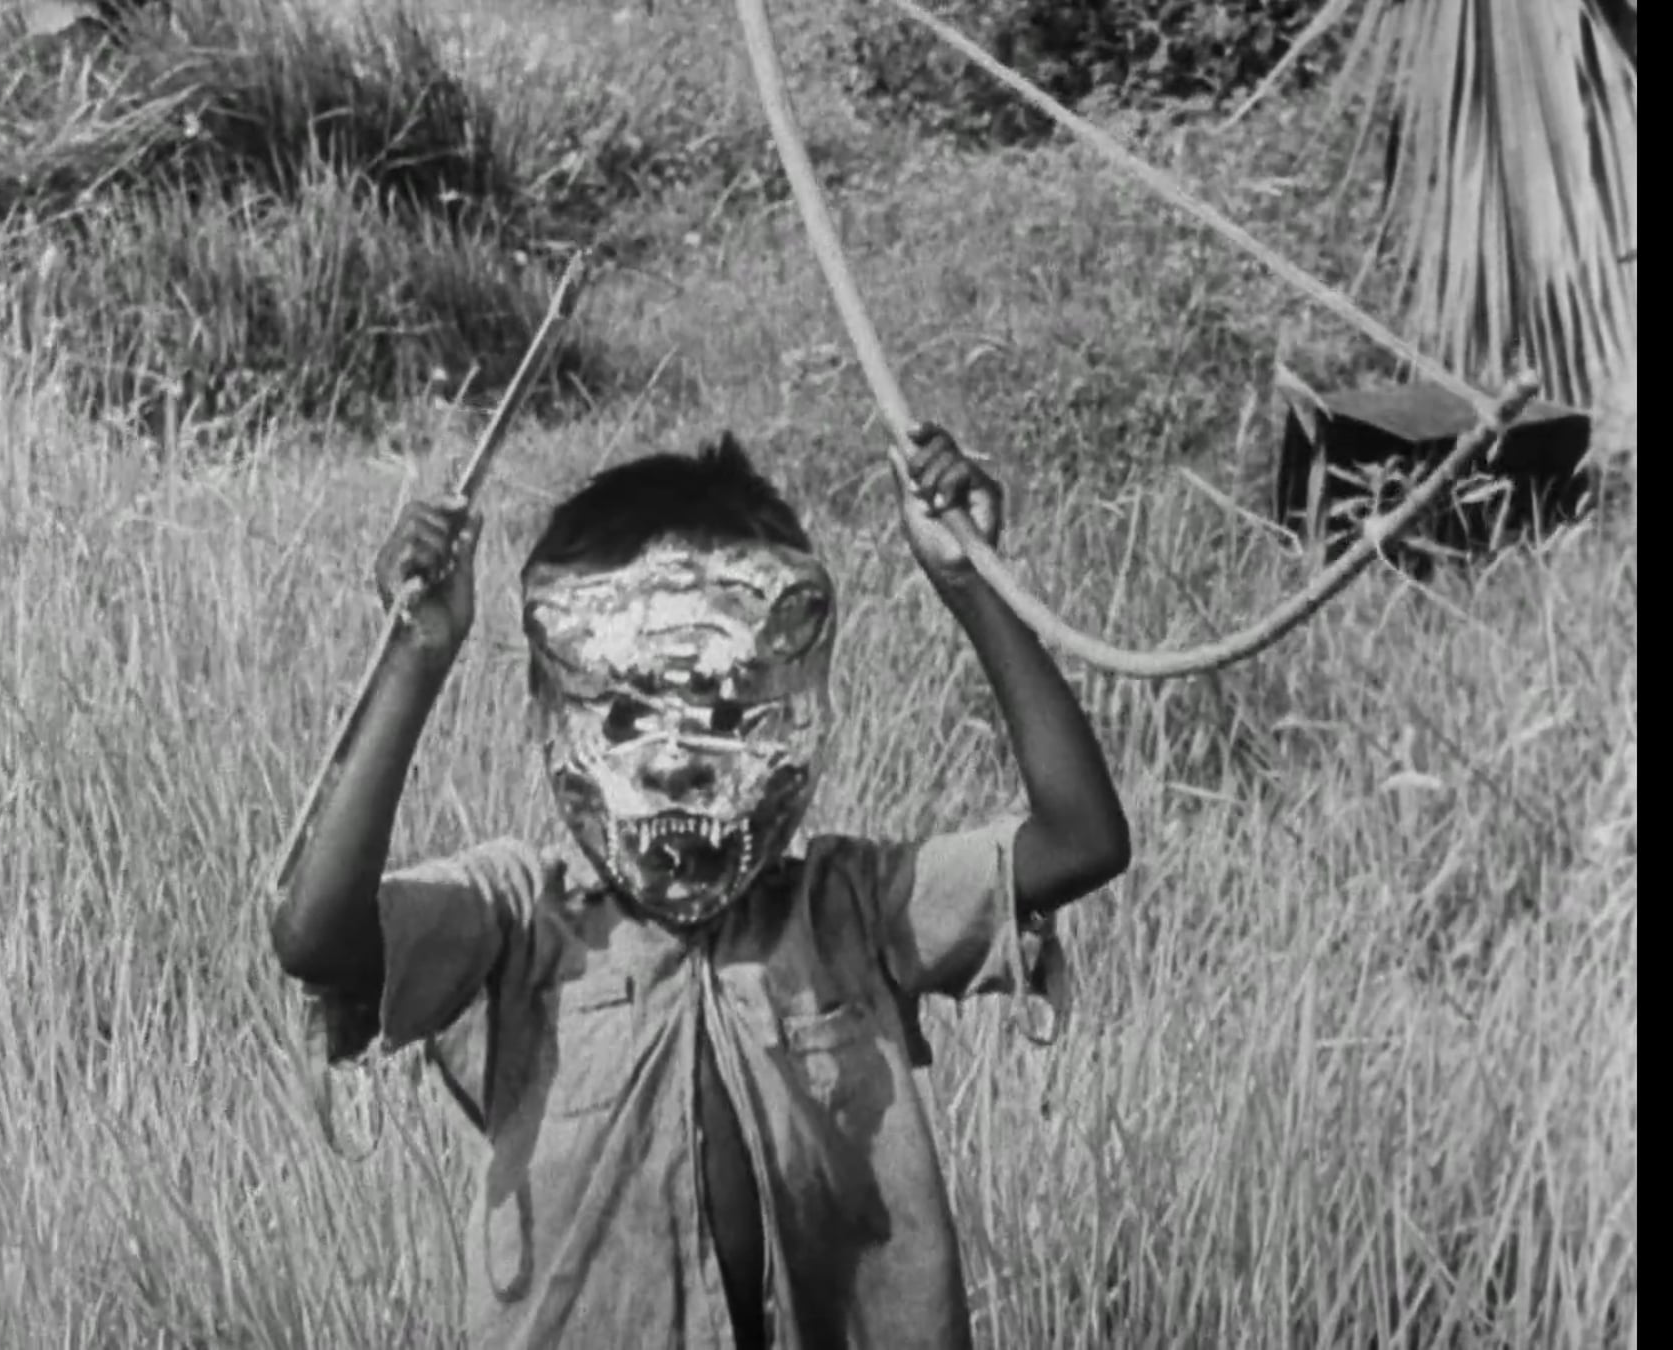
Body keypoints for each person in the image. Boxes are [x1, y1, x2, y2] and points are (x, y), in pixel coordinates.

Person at [271, 424, 1132, 1349]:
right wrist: (416, 654)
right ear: (549, 710)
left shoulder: (847, 909)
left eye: (724, 712)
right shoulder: (518, 917)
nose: (676, 760)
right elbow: (318, 938)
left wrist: (969, 582)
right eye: (627, 713)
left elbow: (1080, 840)